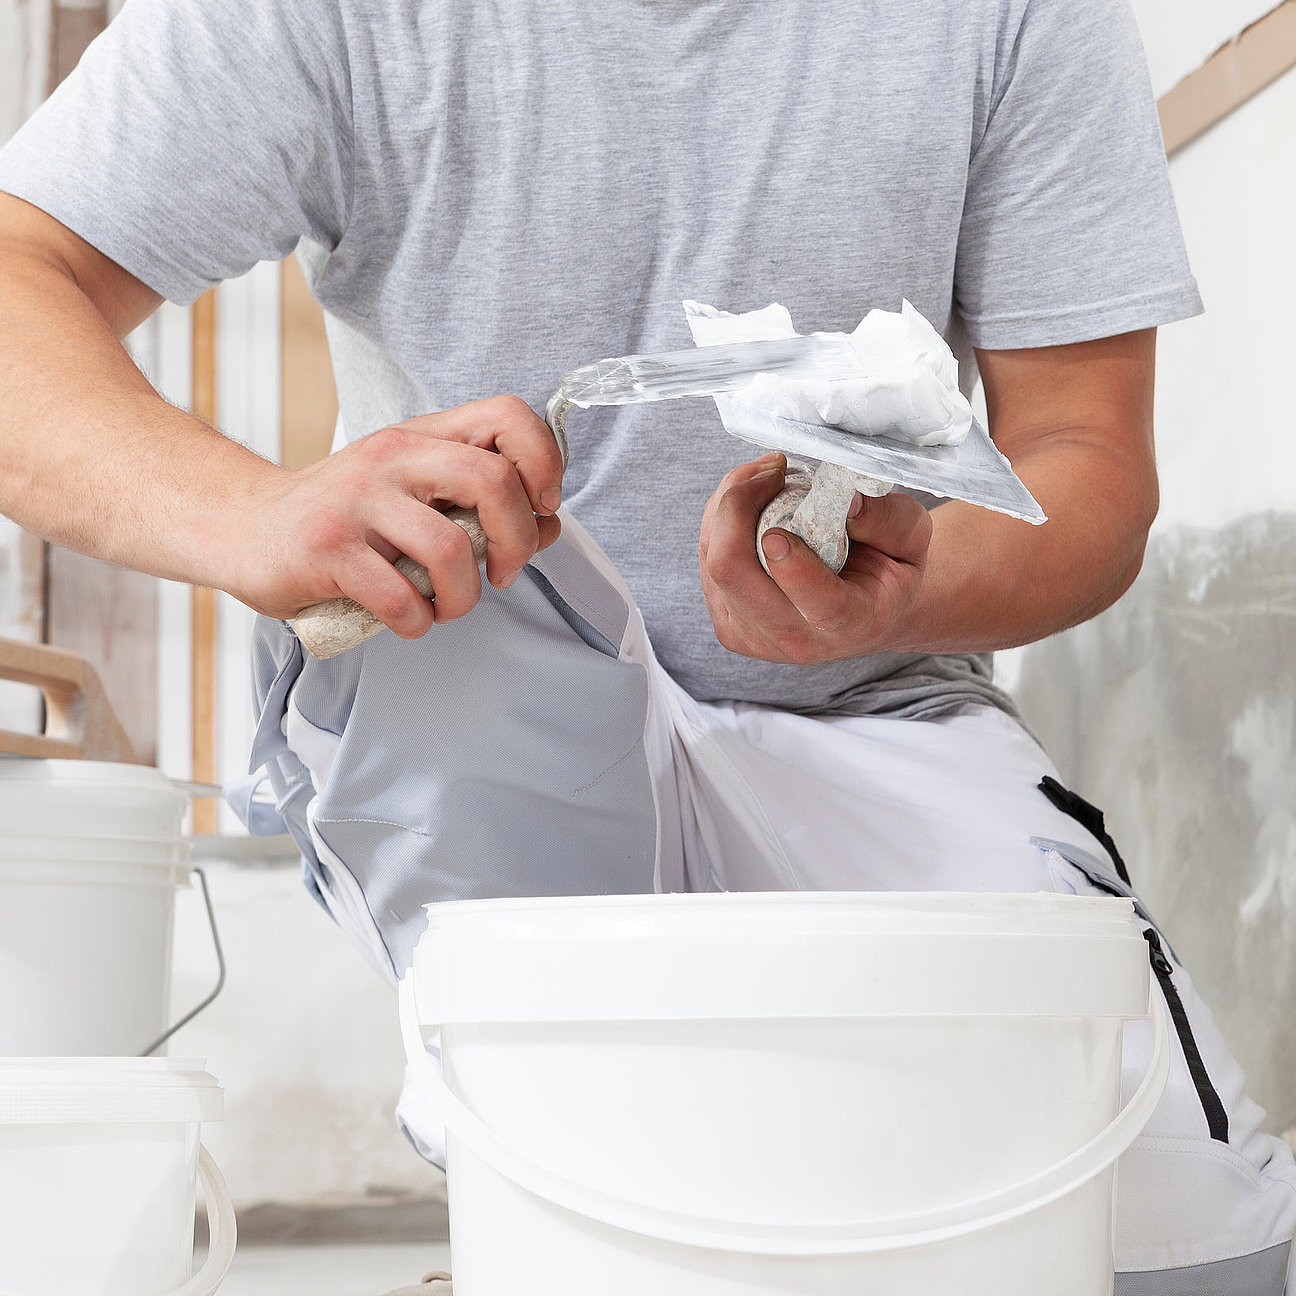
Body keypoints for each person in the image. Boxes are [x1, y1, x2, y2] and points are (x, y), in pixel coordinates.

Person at [0, 0, 1292, 1288]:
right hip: (480, 675)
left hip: (871, 703)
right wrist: (249, 508)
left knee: (1193, 1248)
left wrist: (911, 586)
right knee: (631, 1200)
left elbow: (1086, 445)